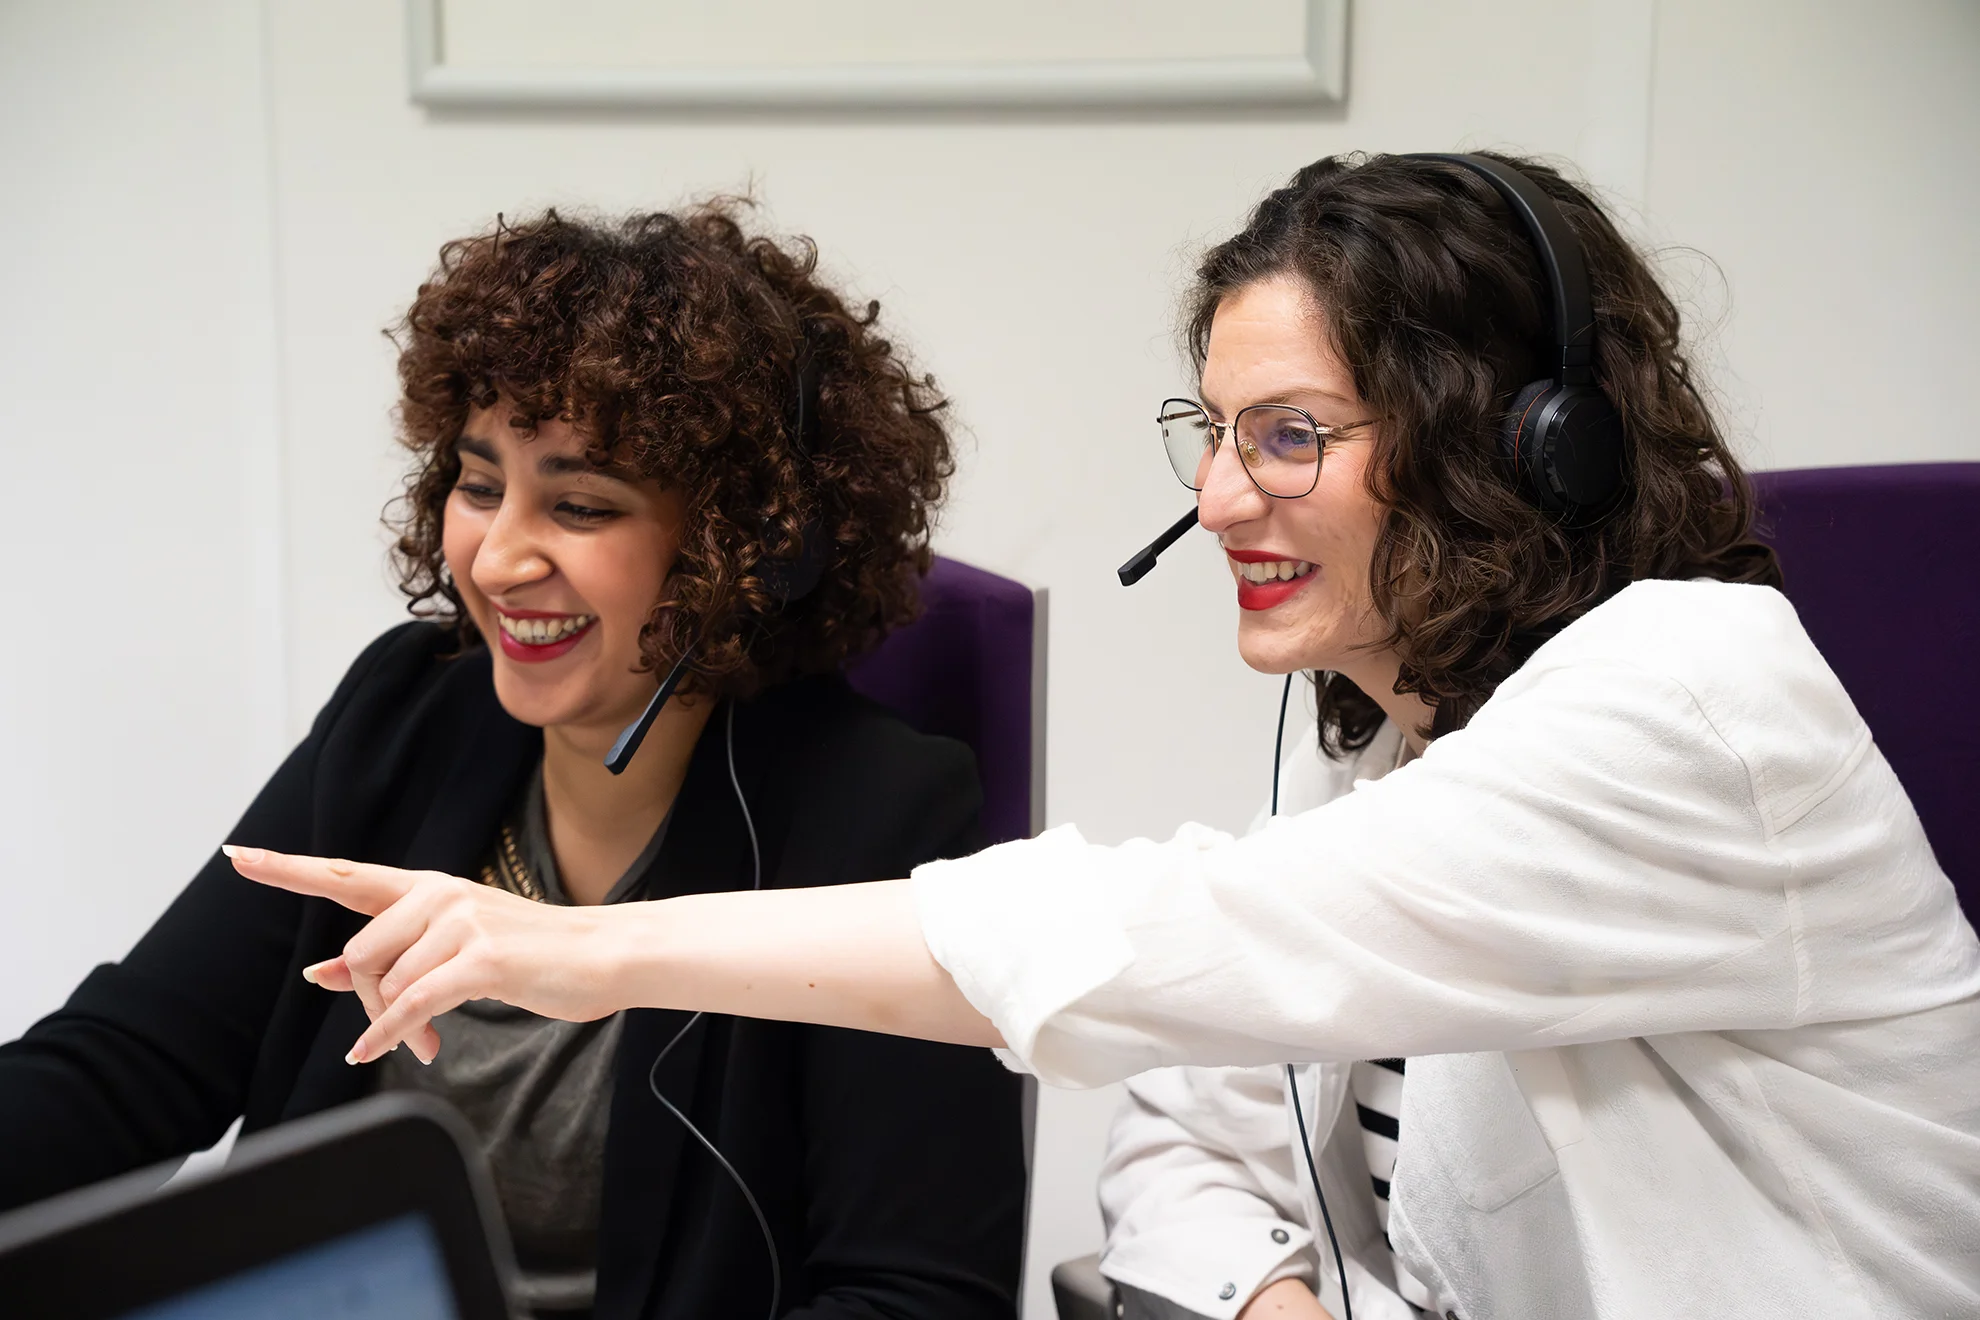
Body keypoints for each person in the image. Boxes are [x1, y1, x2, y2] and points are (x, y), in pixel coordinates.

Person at [225, 153, 1980, 1319]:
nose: (1218, 500)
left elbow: (1162, 944)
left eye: (1287, 436)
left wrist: (591, 956)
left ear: (1516, 445)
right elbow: (1189, 1137)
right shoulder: (1384, 733)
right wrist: (1274, 1306)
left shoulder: (1689, 706)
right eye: (1208, 433)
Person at [0, 203, 1029, 1320]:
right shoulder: (408, 714)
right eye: (481, 484)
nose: (495, 559)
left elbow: (918, 1296)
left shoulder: (875, 814)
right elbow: (129, 1069)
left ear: (751, 548)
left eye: (579, 504)